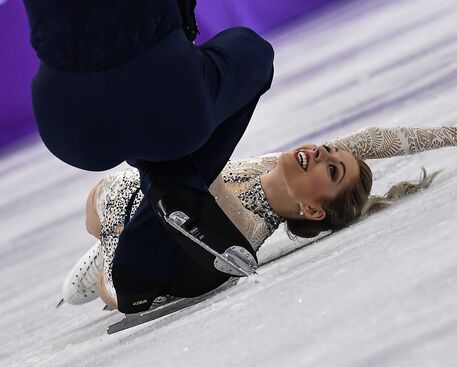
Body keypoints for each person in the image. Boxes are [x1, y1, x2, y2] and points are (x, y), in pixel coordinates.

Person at [61, 96, 457, 310]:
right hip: (130, 197)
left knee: (120, 189)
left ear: (313, 211)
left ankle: (101, 250)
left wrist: (113, 241)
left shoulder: (245, 226)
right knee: (113, 184)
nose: (324, 151)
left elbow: (120, 295)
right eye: (330, 149)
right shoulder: (279, 168)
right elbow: (374, 139)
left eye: (332, 169)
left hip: (127, 251)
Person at [23, 0, 276, 312]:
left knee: (152, 103)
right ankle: (171, 193)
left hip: (66, 122)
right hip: (164, 95)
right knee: (250, 50)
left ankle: (144, 256)